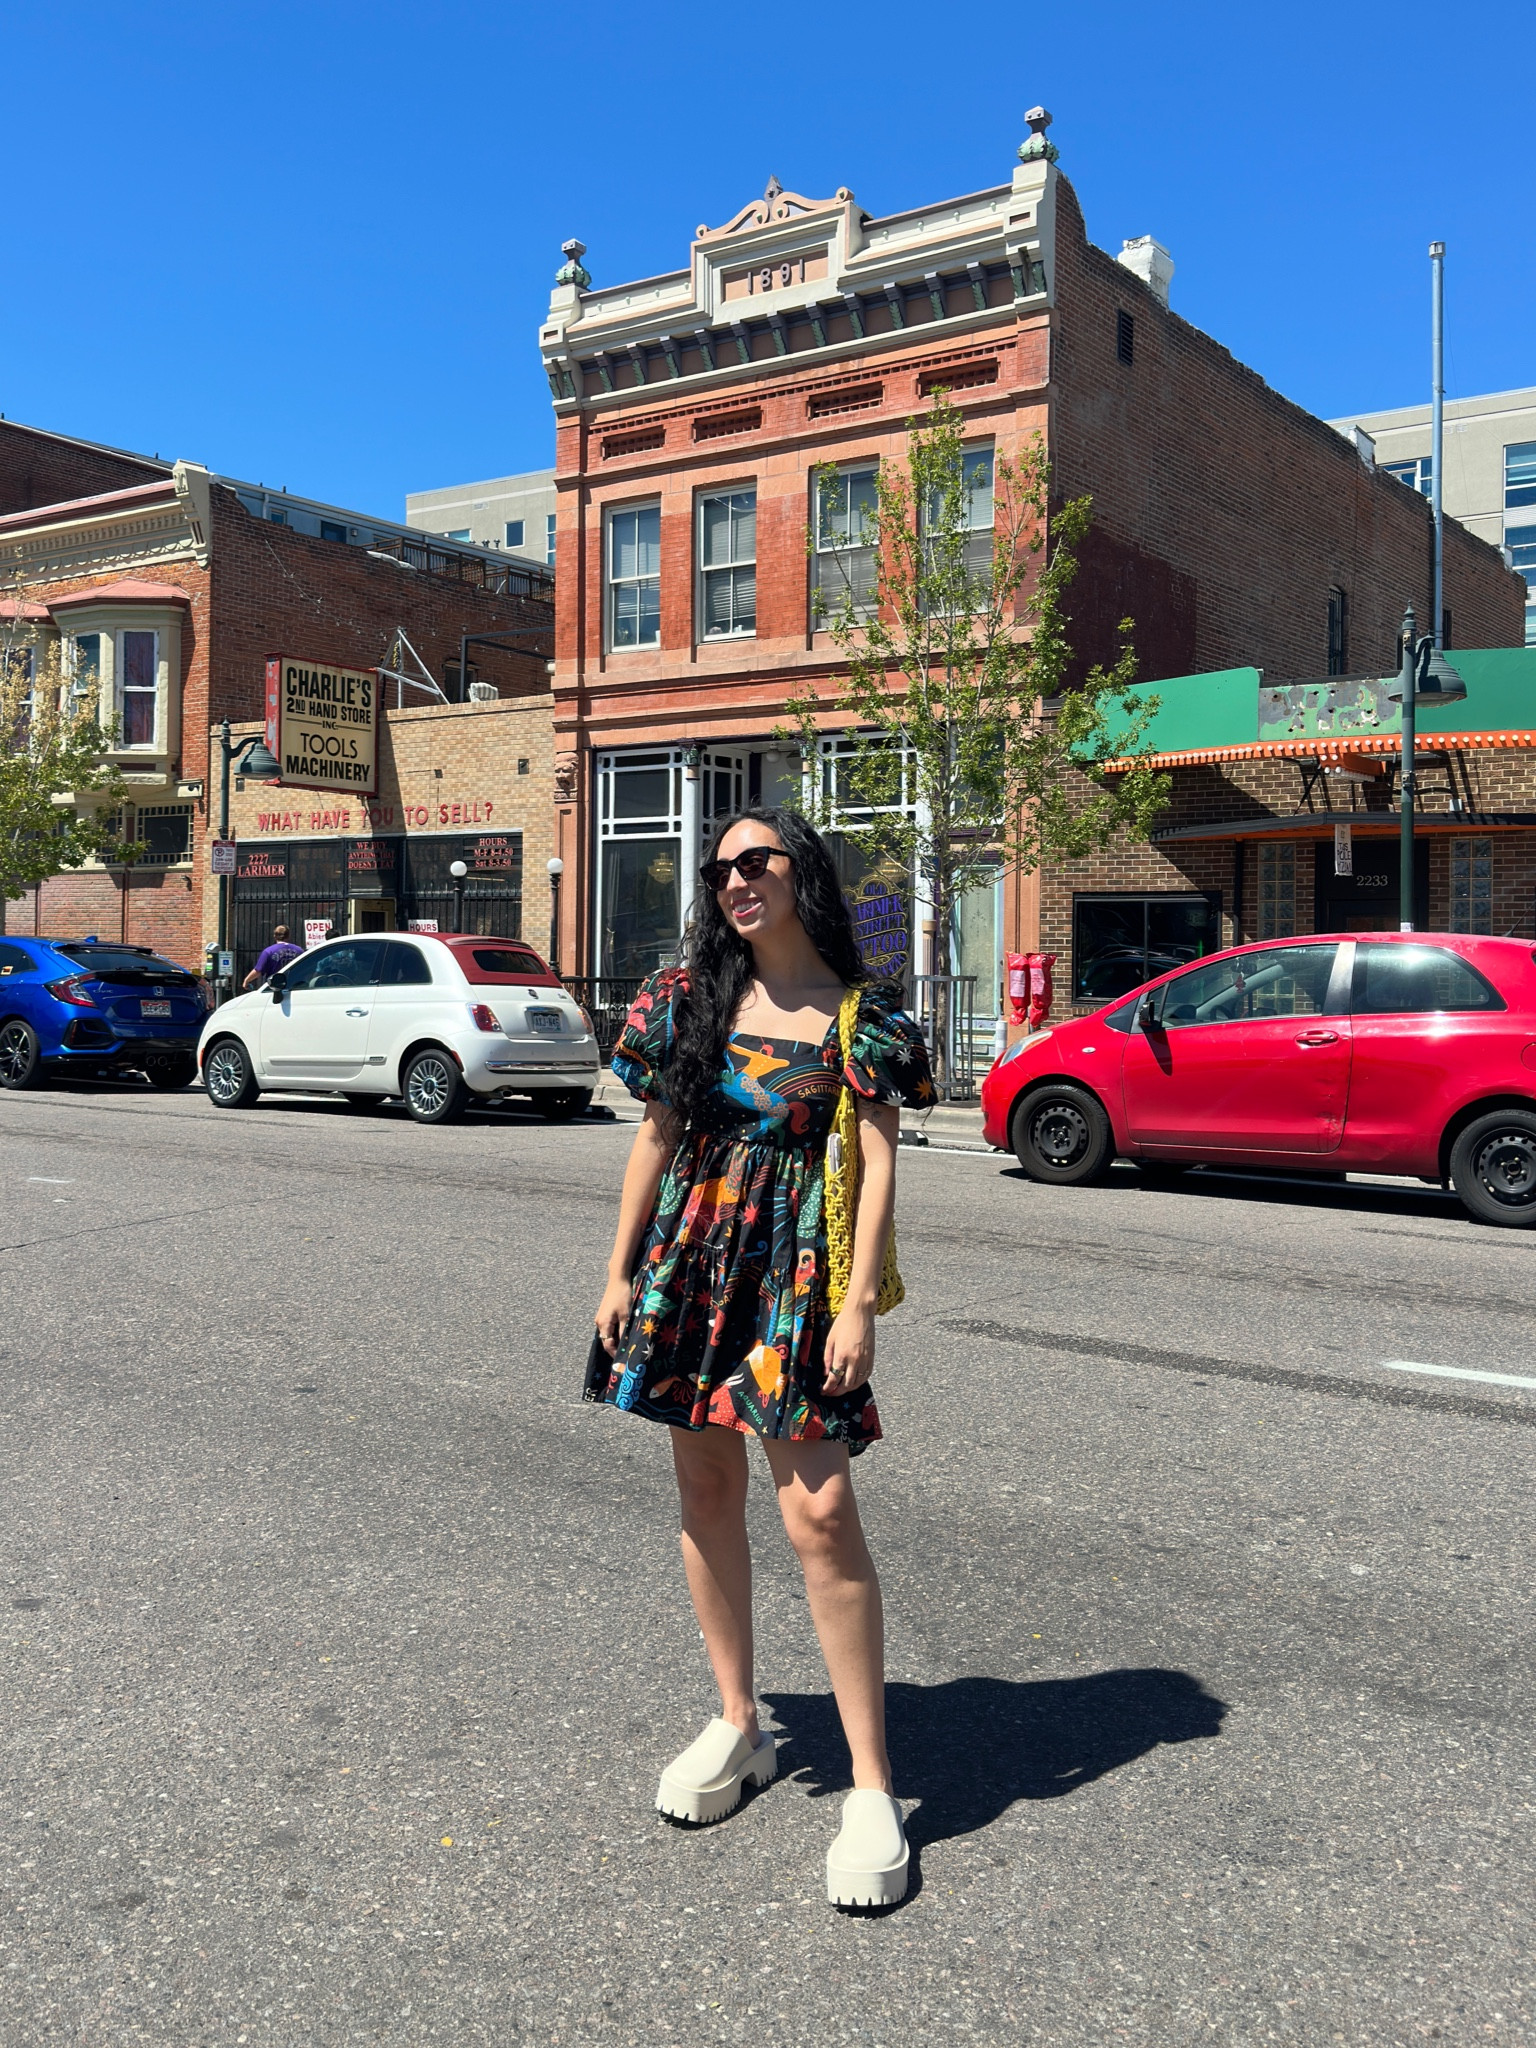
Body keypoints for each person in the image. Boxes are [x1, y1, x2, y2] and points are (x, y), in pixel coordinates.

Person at [588, 808, 934, 1909]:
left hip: (793, 1278)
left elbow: (877, 1162)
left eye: (757, 861)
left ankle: (872, 1785)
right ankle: (738, 1720)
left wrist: (854, 1303)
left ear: (801, 871)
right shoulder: (684, 996)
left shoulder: (859, 1012)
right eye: (719, 868)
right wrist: (616, 1269)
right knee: (702, 1482)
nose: (736, 880)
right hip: (693, 1259)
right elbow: (656, 1134)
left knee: (819, 1511)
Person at [243, 925, 303, 990]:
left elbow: (258, 971)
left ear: (275, 936)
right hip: (296, 987)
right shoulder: (299, 951)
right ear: (288, 936)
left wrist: (247, 980)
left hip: (275, 988)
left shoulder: (269, 951)